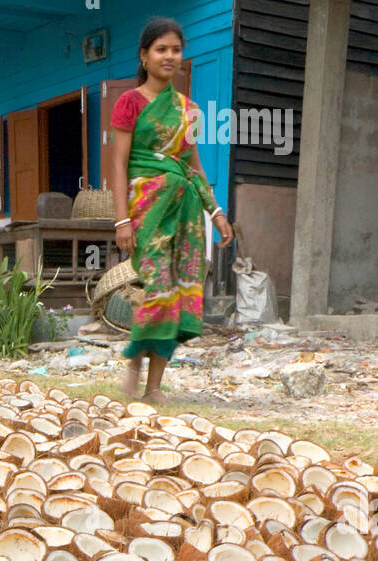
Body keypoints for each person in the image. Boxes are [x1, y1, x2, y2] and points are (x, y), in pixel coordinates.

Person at [110, 18, 234, 404]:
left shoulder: (190, 109)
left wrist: (216, 213)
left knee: (179, 296)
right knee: (158, 288)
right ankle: (134, 364)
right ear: (144, 56)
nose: (169, 56)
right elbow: (118, 165)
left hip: (185, 211)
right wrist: (122, 219)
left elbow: (194, 166)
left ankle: (154, 387)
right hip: (147, 209)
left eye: (176, 50)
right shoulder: (128, 102)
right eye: (161, 49)